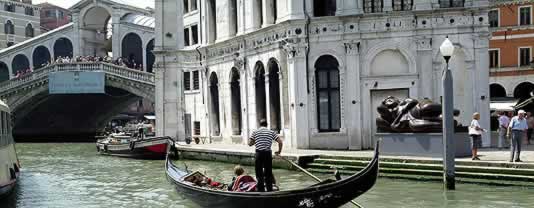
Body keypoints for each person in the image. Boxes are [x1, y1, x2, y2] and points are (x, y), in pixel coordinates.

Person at [248, 119, 283, 192]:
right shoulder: (271, 132)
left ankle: (261, 190)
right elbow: (280, 142)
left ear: (259, 124)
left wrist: (256, 140)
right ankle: (269, 189)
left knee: (259, 173)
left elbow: (250, 143)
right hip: (267, 154)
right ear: (267, 124)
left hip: (259, 153)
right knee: (268, 173)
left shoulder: (255, 132)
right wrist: (279, 151)